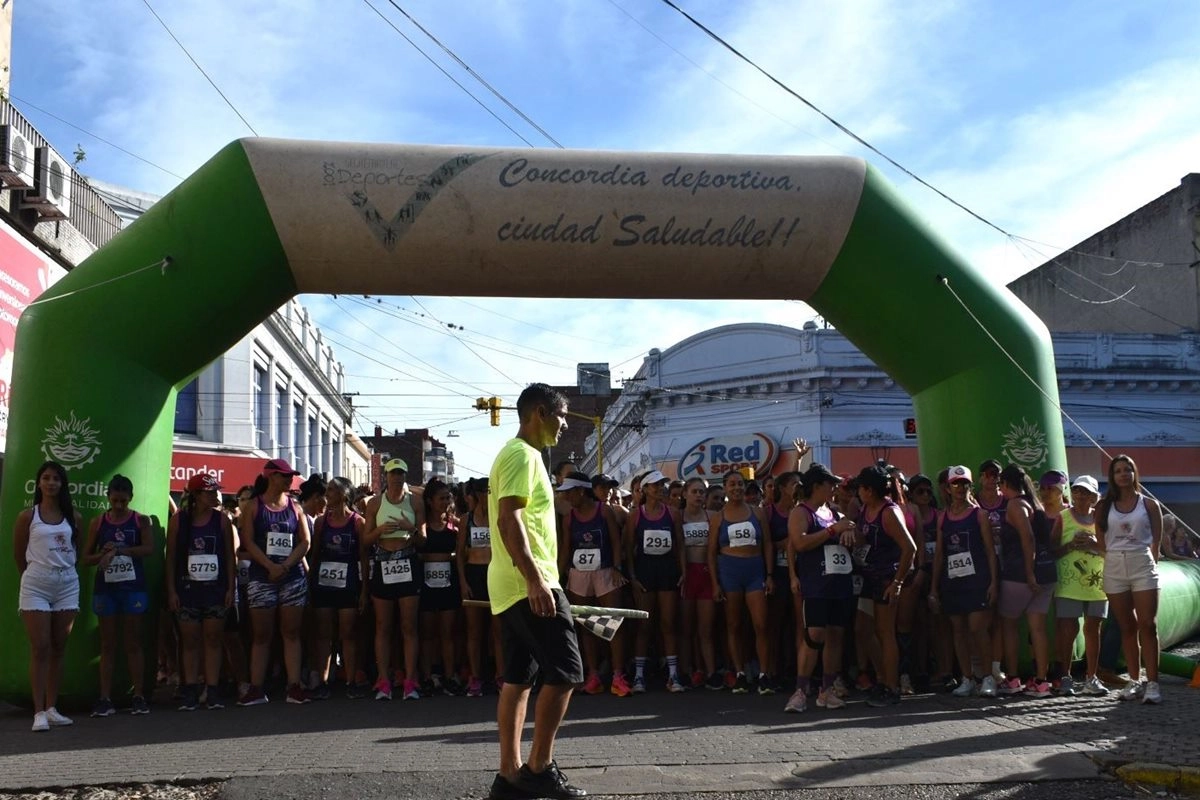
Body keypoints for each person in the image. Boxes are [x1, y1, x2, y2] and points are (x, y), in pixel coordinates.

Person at [486, 383, 586, 800]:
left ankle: (509, 777)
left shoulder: (525, 458)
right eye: (561, 417)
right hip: (528, 582)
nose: (564, 426)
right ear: (540, 413)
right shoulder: (521, 455)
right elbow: (511, 521)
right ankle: (539, 767)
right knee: (566, 672)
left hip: (513, 583)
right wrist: (535, 580)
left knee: (518, 679)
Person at [15, 461, 83, 732]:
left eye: (56, 478)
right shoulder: (27, 517)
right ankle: (39, 711)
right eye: (46, 478)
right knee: (40, 647)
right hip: (36, 583)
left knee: (58, 647)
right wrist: (32, 575)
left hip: (67, 582)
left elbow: (75, 552)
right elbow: (18, 554)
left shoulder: (74, 517)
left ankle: (53, 708)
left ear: (62, 484)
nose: (51, 483)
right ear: (39, 483)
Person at [238, 459, 311, 706]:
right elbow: (247, 541)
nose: (289, 479)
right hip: (262, 577)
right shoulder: (254, 506)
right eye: (284, 475)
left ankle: (294, 687)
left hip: (291, 578)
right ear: (271, 476)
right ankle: (256, 688)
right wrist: (269, 566)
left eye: (291, 476)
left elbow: (305, 541)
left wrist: (286, 566)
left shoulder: (295, 507)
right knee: (261, 635)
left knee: (291, 633)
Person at [785, 464, 856, 712]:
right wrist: (831, 531)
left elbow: (848, 532)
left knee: (836, 636)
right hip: (816, 585)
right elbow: (800, 543)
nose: (835, 488)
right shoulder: (801, 512)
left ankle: (826, 691)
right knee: (813, 635)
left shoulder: (835, 512)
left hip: (840, 583)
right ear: (817, 486)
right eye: (831, 484)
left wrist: (849, 534)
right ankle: (800, 691)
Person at [82, 474, 154, 717]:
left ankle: (139, 695)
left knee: (133, 643)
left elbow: (149, 548)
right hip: (107, 590)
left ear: (131, 498)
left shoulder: (140, 521)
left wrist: (122, 550)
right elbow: (85, 558)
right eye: (115, 501)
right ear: (108, 498)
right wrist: (102, 555)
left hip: (133, 588)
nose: (119, 506)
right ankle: (104, 698)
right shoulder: (98, 522)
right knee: (108, 644)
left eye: (123, 501)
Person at [1096, 454, 1164, 705]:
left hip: (1142, 562)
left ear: (1135, 474)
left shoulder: (1149, 504)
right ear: (1112, 477)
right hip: (1114, 564)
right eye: (1118, 471)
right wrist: (1111, 557)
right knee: (1126, 625)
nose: (1123, 474)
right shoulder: (1104, 506)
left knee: (1148, 624)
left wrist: (1151, 560)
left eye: (1128, 470)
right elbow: (1100, 538)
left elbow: (1157, 537)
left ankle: (1153, 683)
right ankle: (1134, 681)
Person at [166, 472, 238, 710]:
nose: (215, 495)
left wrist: (230, 587)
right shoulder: (179, 520)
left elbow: (230, 556)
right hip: (187, 590)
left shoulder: (222, 520)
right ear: (197, 495)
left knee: (213, 639)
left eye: (215, 491)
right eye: (209, 492)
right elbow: (172, 558)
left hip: (215, 590)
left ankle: (213, 689)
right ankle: (190, 690)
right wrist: (172, 591)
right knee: (189, 641)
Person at [557, 471, 629, 696]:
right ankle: (594, 675)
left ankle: (618, 675)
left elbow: (616, 541)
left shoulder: (604, 511)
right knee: (586, 625)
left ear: (580, 491)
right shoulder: (569, 517)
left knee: (611, 622)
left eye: (569, 492)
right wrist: (559, 576)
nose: (566, 497)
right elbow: (566, 548)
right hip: (579, 573)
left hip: (605, 571)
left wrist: (617, 567)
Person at [928, 466, 998, 698]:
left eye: (964, 484)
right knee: (958, 630)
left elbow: (990, 551)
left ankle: (987, 677)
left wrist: (993, 583)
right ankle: (967, 678)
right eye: (956, 484)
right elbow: (939, 554)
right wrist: (934, 589)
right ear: (947, 488)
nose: (960, 488)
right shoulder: (943, 517)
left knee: (978, 628)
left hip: (977, 580)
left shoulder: (980, 515)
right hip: (952, 581)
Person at [853, 464, 917, 708]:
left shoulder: (889, 512)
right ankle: (882, 678)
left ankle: (891, 687)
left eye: (861, 487)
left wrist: (898, 582)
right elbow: (863, 537)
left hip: (886, 579)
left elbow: (910, 548)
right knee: (862, 630)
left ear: (870, 490)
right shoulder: (865, 509)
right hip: (868, 577)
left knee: (885, 632)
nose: (858, 491)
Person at [364, 457, 426, 701]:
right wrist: (379, 531)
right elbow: (366, 541)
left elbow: (423, 540)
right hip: (384, 562)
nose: (397, 478)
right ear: (386, 476)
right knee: (383, 626)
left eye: (401, 474)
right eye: (393, 473)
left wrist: (408, 526)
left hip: (407, 560)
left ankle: (410, 680)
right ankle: (383, 680)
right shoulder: (375, 503)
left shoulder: (415, 502)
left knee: (409, 626)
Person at [708, 469, 773, 695]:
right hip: (730, 572)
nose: (736, 488)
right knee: (733, 625)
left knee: (761, 624)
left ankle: (764, 674)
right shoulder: (718, 517)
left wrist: (770, 574)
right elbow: (711, 552)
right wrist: (715, 583)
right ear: (725, 488)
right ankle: (740, 674)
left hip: (755, 570)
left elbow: (767, 545)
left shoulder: (758, 513)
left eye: (740, 484)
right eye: (732, 484)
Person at [995, 464, 1057, 698]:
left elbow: (1027, 538)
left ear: (1005, 484)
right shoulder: (1036, 504)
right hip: (1046, 572)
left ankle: (1012, 678)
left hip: (1019, 574)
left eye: (1000, 483)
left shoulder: (1015, 504)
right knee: (1038, 629)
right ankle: (1041, 681)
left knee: (1009, 625)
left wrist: (1029, 573)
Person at [625, 469, 686, 693]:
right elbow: (629, 548)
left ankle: (673, 674)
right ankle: (639, 676)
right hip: (645, 571)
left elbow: (679, 544)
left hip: (667, 571)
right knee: (644, 624)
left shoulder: (673, 514)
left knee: (669, 623)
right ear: (646, 489)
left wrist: (684, 571)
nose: (660, 489)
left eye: (662, 485)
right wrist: (632, 577)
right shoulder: (635, 515)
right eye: (656, 485)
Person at [308, 477, 367, 699]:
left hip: (349, 584)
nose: (327, 493)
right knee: (324, 635)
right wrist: (310, 583)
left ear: (344, 495)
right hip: (324, 584)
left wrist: (364, 591)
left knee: (348, 634)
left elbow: (363, 558)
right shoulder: (321, 522)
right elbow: (314, 556)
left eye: (332, 490)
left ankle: (351, 681)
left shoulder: (357, 522)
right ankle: (322, 683)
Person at [1051, 474, 1108, 697]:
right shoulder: (1063, 517)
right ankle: (1065, 677)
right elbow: (1052, 550)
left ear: (1095, 497)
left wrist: (1094, 544)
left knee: (1093, 631)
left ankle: (1091, 678)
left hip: (1098, 585)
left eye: (1085, 492)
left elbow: (1109, 550)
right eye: (1076, 491)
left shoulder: (1102, 520)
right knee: (1068, 630)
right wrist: (1071, 546)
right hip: (1068, 584)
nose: (1080, 495)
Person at [458, 477, 502, 697]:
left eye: (488, 492)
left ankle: (500, 676)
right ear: (474, 494)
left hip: (494, 573)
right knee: (474, 630)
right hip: (474, 574)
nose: (485, 496)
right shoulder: (466, 520)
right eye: (481, 492)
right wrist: (463, 582)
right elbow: (459, 556)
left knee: (498, 630)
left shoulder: (498, 517)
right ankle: (475, 677)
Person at [419, 477, 463, 695]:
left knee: (447, 633)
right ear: (430, 501)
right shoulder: (423, 526)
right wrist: (434, 557)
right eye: (441, 498)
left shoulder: (456, 525)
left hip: (449, 585)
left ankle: (449, 675)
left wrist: (450, 557)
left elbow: (462, 554)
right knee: (428, 633)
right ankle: (428, 676)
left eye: (448, 497)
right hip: (426, 586)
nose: (446, 502)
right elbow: (417, 551)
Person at [679, 476, 719, 690]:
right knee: (686, 628)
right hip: (687, 575)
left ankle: (711, 672)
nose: (698, 495)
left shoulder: (712, 516)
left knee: (706, 629)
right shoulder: (678, 517)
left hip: (706, 573)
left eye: (702, 492)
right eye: (694, 491)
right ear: (685, 493)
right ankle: (685, 671)